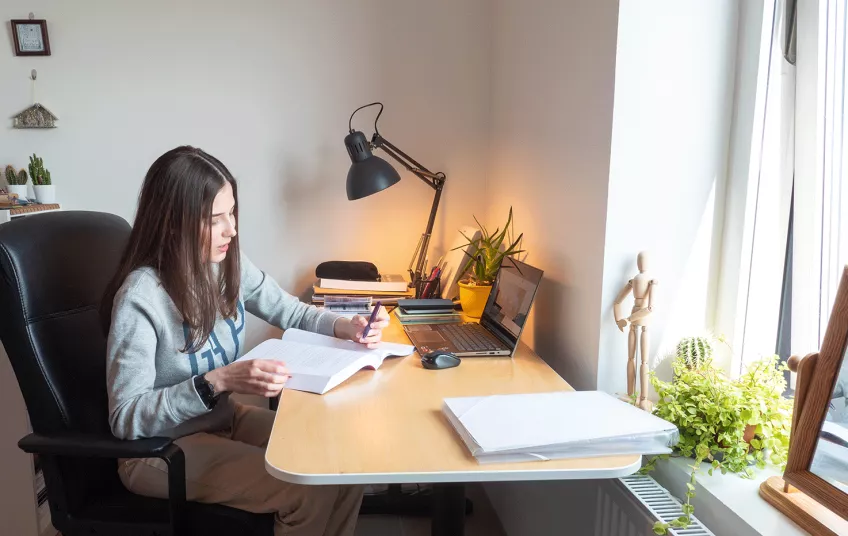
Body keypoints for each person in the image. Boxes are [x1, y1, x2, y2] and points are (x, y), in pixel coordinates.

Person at [102, 146, 388, 536]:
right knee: (306, 491)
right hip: (159, 451)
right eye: (215, 219)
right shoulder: (141, 297)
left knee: (343, 462)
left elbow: (293, 311)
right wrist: (218, 381)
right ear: (173, 223)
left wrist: (346, 326)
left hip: (221, 421)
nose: (231, 230)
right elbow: (126, 418)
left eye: (232, 212)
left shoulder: (224, 263)